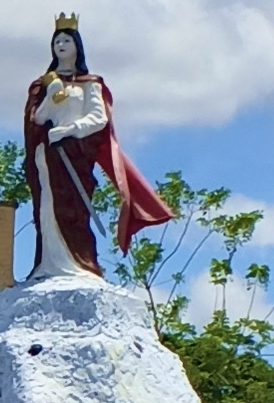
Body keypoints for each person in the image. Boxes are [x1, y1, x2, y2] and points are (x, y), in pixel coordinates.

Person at [21, 15, 172, 278]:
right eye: (57, 41)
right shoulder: (45, 83)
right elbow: (38, 119)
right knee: (48, 207)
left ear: (77, 45)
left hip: (77, 155)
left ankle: (78, 263)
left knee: (75, 209)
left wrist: (70, 129)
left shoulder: (90, 83)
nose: (61, 45)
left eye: (67, 40)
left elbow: (98, 118)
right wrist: (52, 97)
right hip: (51, 155)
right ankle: (50, 264)